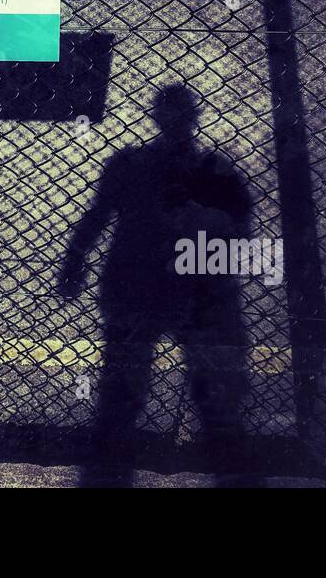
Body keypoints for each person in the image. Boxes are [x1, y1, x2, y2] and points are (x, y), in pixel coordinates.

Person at [60, 84, 252, 485]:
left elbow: (97, 217)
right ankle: (229, 471)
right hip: (187, 284)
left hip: (140, 283)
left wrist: (74, 262)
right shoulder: (214, 172)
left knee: (125, 392)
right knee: (203, 395)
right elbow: (239, 230)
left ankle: (110, 473)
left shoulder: (132, 165)